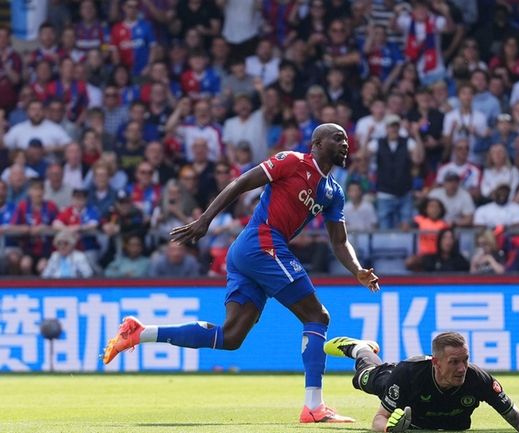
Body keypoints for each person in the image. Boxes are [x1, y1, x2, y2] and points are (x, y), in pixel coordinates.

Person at [102, 124, 380, 424]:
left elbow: (339, 241)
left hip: (251, 252)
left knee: (231, 336)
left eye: (346, 139)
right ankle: (314, 406)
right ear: (317, 143)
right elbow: (241, 183)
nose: (345, 143)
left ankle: (140, 333)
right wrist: (205, 219)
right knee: (317, 317)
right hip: (261, 242)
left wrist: (358, 271)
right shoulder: (291, 161)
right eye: (337, 138)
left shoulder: (333, 192)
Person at [323, 332, 519, 432]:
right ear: (436, 362)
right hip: (396, 377)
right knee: (364, 377)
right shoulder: (407, 376)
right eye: (454, 362)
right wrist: (388, 429)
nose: (462, 368)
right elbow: (379, 419)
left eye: (465, 360)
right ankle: (360, 348)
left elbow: (515, 418)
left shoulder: (478, 379)